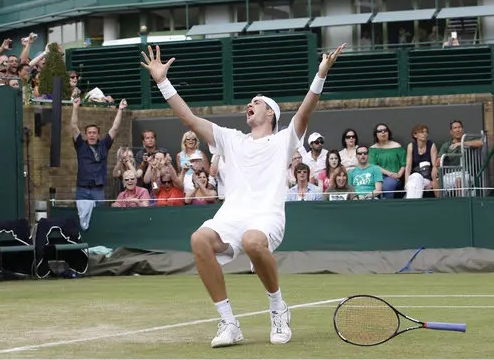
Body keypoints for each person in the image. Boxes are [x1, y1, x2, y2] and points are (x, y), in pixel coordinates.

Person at [140, 43, 345, 347]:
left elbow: (304, 113)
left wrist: (320, 76)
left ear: (271, 114)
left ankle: (278, 309)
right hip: (232, 216)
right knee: (199, 239)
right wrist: (161, 81)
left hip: (266, 216)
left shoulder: (283, 140)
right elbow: (189, 120)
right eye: (249, 101)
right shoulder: (230, 139)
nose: (250, 104)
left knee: (252, 240)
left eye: (256, 101)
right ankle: (229, 322)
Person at [70, 97, 126, 229]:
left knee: (99, 217)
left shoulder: (104, 145)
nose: (91, 135)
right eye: (89, 133)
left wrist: (120, 110)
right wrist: (75, 107)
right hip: (82, 189)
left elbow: (115, 128)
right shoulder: (80, 145)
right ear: (86, 134)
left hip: (98, 189)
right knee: (81, 218)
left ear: (98, 135)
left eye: (94, 133)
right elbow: (73, 126)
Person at [404, 124, 438, 198]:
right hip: (414, 177)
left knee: (413, 184)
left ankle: (411, 204)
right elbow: (408, 165)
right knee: (414, 180)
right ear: (415, 135)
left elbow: (434, 166)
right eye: (422, 132)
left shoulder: (431, 145)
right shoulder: (411, 146)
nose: (425, 134)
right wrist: (406, 182)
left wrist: (434, 182)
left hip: (427, 179)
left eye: (426, 132)